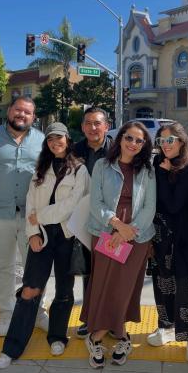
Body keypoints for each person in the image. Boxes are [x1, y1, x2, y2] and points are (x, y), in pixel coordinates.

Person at [0, 122, 89, 368]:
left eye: (59, 138)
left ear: (68, 140)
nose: (55, 143)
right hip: (42, 236)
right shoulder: (40, 169)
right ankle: (12, 347)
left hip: (67, 237)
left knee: (64, 290)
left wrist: (42, 217)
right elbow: (30, 203)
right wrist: (32, 232)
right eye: (50, 139)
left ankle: (57, 336)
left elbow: (71, 205)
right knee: (30, 289)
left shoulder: (80, 171)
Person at [81, 121, 156, 368]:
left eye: (139, 141)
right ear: (120, 139)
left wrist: (127, 232)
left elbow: (149, 208)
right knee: (105, 284)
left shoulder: (147, 170)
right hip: (106, 233)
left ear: (144, 145)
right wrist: (116, 225)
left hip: (137, 237)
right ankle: (119, 336)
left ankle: (97, 336)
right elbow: (96, 203)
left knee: (124, 288)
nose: (133, 144)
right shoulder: (103, 166)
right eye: (129, 138)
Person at [0, 96, 49, 336]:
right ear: (9, 111)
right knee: (4, 266)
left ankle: (37, 312)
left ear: (33, 117)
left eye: (27, 112)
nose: (22, 115)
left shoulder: (42, 141)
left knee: (35, 267)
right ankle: (7, 313)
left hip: (32, 217)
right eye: (18, 110)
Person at [147, 122, 188, 362]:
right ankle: (166, 326)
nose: (166, 145)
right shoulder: (157, 164)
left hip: (181, 238)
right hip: (159, 236)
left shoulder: (187, 168)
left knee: (183, 286)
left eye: (170, 140)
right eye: (162, 141)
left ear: (181, 142)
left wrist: (164, 171)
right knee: (161, 283)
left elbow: (173, 204)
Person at [74, 106, 112, 338]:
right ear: (82, 127)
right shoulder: (74, 150)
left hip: (111, 222)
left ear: (106, 126)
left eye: (97, 123)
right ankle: (90, 318)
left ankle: (112, 319)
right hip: (82, 220)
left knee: (112, 271)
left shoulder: (117, 150)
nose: (93, 127)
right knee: (88, 270)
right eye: (88, 123)